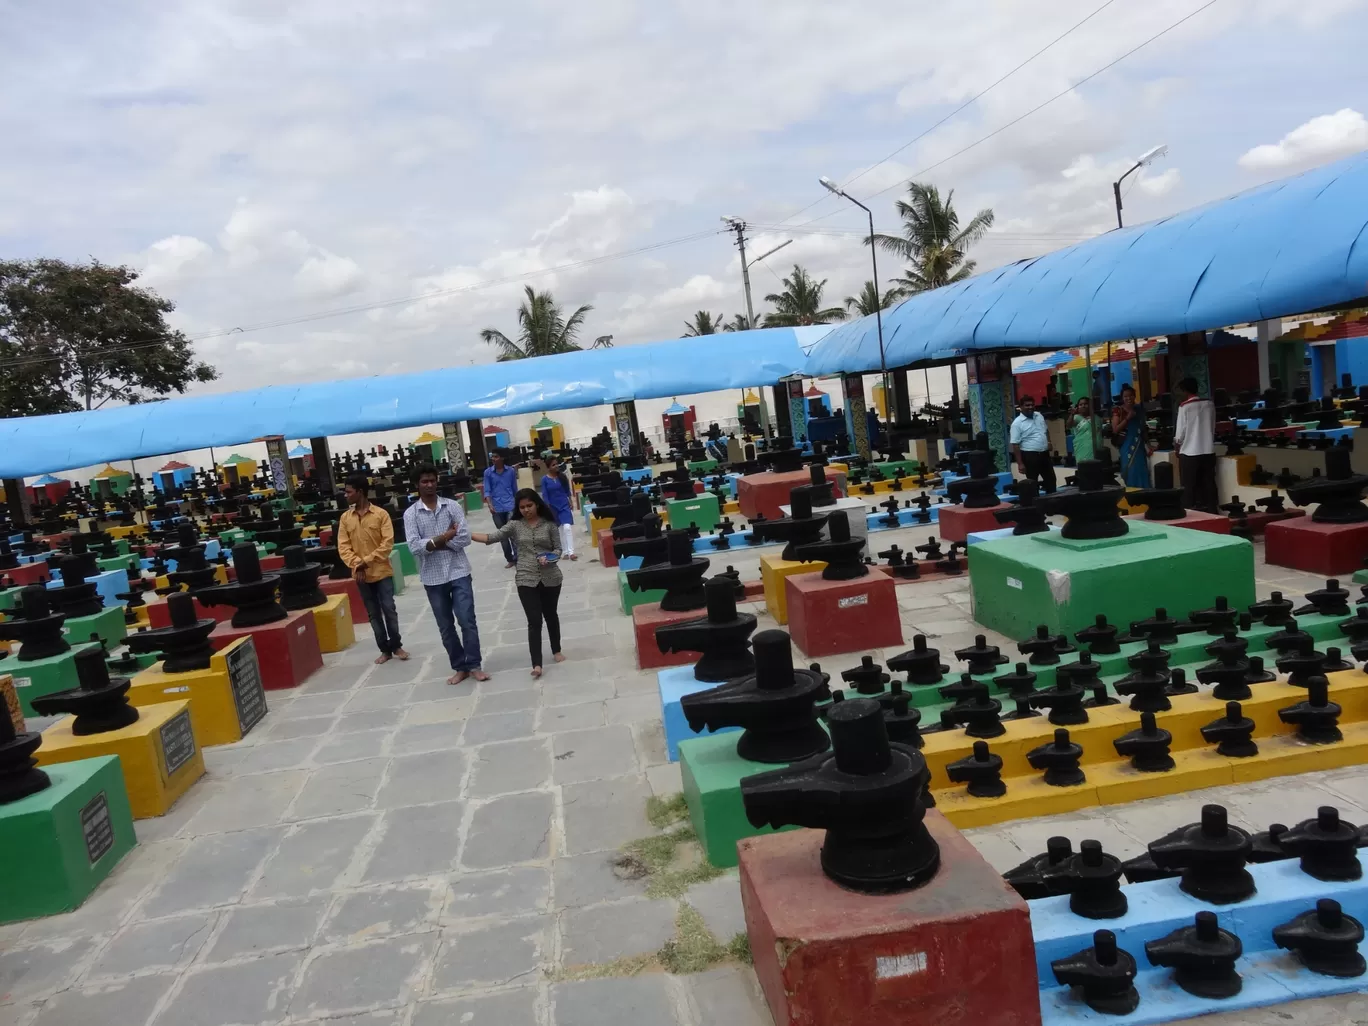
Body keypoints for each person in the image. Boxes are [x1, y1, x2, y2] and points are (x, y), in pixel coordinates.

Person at [402, 464, 489, 686]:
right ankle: (460, 666)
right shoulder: (410, 514)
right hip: (432, 578)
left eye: (432, 480)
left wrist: (434, 543)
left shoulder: (451, 506)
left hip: (458, 571)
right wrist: (444, 537)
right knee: (446, 626)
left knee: (467, 620)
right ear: (417, 485)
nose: (429, 485)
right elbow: (414, 546)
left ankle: (474, 665)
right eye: (424, 481)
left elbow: (464, 538)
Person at [471, 488, 563, 678]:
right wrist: (467, 534)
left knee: (550, 615)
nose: (526, 510)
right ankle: (537, 664)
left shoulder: (549, 524)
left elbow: (558, 549)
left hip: (551, 577)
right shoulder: (514, 525)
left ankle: (556, 649)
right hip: (525, 577)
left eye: (529, 505)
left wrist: (551, 558)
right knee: (534, 620)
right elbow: (491, 538)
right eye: (522, 507)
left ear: (537, 504)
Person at [336, 474, 408, 664]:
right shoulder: (345, 518)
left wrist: (364, 562)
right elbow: (343, 547)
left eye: (349, 491)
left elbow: (387, 544)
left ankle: (397, 645)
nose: (346, 495)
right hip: (361, 576)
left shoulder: (381, 515)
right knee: (373, 613)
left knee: (389, 609)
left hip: (381, 572)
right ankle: (384, 650)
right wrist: (357, 565)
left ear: (360, 492)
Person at [1174, 376, 1217, 512]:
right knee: (1209, 483)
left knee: (1188, 485)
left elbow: (1180, 432)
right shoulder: (1209, 404)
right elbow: (1213, 425)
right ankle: (1212, 509)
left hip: (1189, 451)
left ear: (1185, 391)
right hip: (1208, 449)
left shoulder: (1184, 407)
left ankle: (1189, 511)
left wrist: (1177, 446)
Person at [1009, 395, 1056, 494]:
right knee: (1032, 483)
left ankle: (1053, 505)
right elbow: (1015, 445)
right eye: (1027, 405)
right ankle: (1036, 506)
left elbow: (1046, 430)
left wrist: (1049, 442)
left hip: (1044, 454)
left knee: (1051, 480)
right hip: (1030, 456)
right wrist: (1020, 464)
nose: (1030, 407)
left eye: (1032, 405)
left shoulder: (1039, 415)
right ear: (1021, 407)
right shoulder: (1017, 424)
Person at [482, 450, 519, 568]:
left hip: (510, 505)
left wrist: (518, 503)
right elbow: (487, 490)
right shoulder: (488, 473)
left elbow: (514, 488)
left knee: (513, 532)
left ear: (502, 458)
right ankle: (510, 558)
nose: (493, 459)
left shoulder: (511, 471)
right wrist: (489, 504)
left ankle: (518, 557)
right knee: (502, 535)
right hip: (496, 508)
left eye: (496, 456)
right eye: (492, 457)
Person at [1111, 384, 1151, 488]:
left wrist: (1149, 445)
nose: (1128, 398)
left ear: (1134, 396)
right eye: (1125, 396)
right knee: (1130, 469)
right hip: (1126, 446)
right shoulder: (1118, 411)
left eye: (1131, 396)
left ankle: (1144, 493)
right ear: (1122, 398)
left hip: (1139, 446)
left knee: (1141, 469)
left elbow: (1142, 429)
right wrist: (1127, 418)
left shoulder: (1139, 410)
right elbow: (1115, 429)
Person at [540, 455, 577, 560]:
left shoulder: (562, 477)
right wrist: (547, 508)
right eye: (553, 465)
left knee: (567, 528)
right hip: (553, 507)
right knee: (559, 529)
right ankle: (564, 551)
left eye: (557, 464)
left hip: (564, 505)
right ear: (548, 467)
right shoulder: (544, 480)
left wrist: (570, 500)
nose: (556, 466)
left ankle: (571, 552)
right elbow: (545, 494)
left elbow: (567, 490)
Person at [1066, 396, 1107, 463]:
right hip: (1082, 450)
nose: (1083, 406)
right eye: (1080, 405)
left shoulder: (1096, 418)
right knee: (1085, 469)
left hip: (1097, 450)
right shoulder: (1076, 418)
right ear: (1078, 407)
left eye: (1085, 404)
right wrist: (1072, 414)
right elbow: (1068, 425)